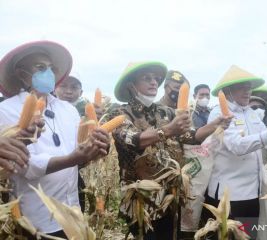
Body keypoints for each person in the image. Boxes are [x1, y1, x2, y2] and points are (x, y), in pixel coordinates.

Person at [0, 41, 110, 239]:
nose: (48, 73)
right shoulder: (6, 110)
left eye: (51, 68)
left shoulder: (68, 110)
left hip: (72, 210)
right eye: (41, 68)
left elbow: (80, 154)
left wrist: (96, 149)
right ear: (20, 73)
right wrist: (72, 159)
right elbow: (25, 165)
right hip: (36, 217)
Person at [110, 62, 231, 240]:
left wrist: (215, 125)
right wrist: (167, 130)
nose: (154, 83)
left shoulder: (166, 112)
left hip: (171, 195)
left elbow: (192, 136)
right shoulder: (120, 113)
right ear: (131, 85)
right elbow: (133, 140)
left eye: (156, 79)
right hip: (141, 199)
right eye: (147, 78)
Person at [203, 65, 267, 239]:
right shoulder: (218, 113)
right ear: (228, 90)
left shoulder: (251, 114)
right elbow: (237, 146)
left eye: (249, 87)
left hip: (253, 192)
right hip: (229, 195)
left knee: (249, 235)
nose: (248, 91)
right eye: (242, 87)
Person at [54, 75, 90, 212]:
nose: (68, 91)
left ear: (81, 93)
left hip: (74, 178)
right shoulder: (42, 113)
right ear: (55, 88)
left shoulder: (82, 116)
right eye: (63, 86)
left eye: (74, 87)